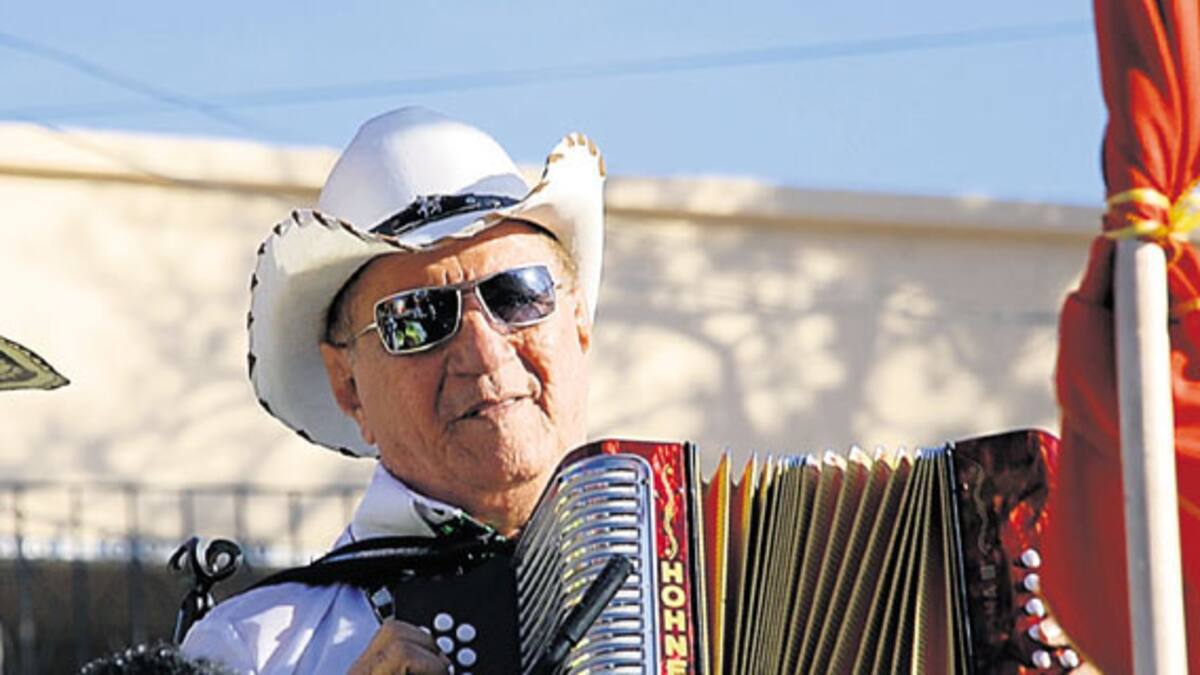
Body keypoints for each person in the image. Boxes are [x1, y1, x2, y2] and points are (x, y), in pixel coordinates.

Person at [181, 107, 606, 674]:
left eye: (516, 294)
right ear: (349, 386)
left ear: (578, 321)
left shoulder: (708, 569)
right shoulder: (249, 652)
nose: (483, 351)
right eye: (417, 318)